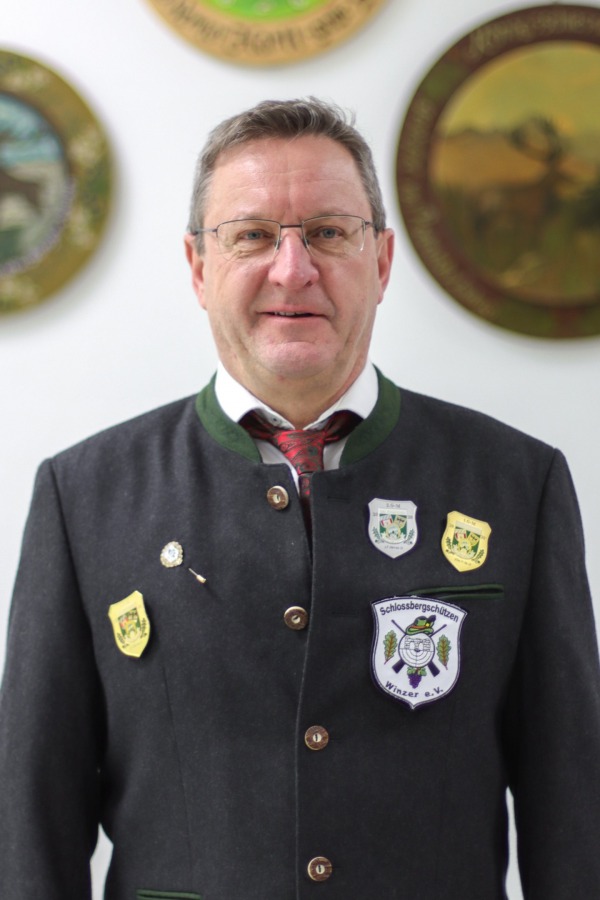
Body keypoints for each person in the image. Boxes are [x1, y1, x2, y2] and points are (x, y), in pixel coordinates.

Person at [1, 97, 599, 900]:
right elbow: (32, 824)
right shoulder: (84, 497)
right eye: (251, 235)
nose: (292, 269)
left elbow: (575, 812)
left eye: (328, 232)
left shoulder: (516, 484)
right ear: (198, 266)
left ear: (381, 261)